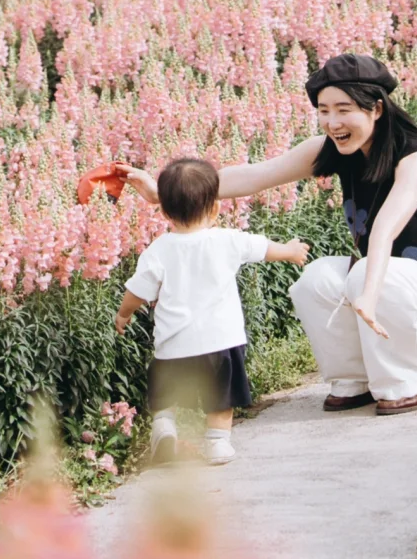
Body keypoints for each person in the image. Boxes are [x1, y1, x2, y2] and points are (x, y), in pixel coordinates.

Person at [123, 53, 417, 416]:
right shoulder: (336, 150)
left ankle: (413, 380)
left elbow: (383, 230)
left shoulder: (416, 159)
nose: (332, 122)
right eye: (324, 110)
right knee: (315, 279)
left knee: (364, 272)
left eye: (344, 109)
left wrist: (366, 293)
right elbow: (256, 175)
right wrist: (163, 192)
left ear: (376, 108)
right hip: (395, 282)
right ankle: (354, 379)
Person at [114, 156, 309, 465]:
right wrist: (290, 251)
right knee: (221, 398)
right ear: (216, 208)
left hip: (173, 346)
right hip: (221, 341)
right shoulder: (227, 240)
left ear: (163, 212)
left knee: (166, 393)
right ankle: (217, 443)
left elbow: (136, 291)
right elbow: (262, 248)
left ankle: (164, 426)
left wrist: (124, 314)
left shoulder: (158, 250)